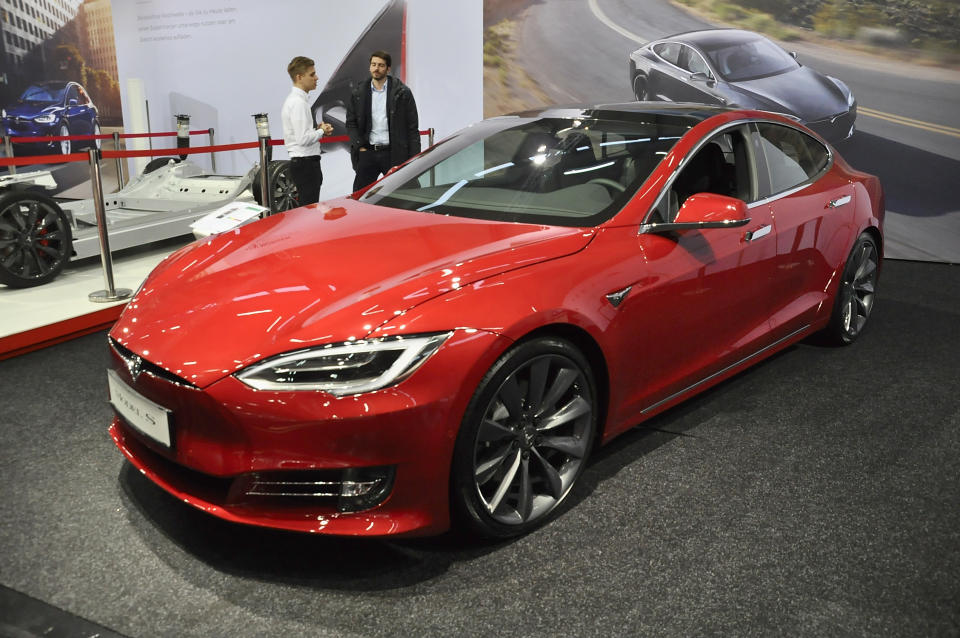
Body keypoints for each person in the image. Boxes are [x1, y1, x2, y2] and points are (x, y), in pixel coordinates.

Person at [346, 50, 421, 191]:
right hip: (368, 153)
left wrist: (414, 159)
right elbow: (351, 123)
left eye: (381, 65)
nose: (376, 68)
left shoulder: (403, 92)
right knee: (360, 198)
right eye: (373, 64)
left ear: (388, 69)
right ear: (369, 67)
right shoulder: (358, 93)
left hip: (394, 153)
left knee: (402, 195)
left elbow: (412, 128)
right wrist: (360, 146)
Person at [281, 56, 334, 206]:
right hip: (306, 164)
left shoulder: (296, 101)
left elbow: (302, 135)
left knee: (307, 209)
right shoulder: (298, 103)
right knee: (308, 210)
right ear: (299, 77)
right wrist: (321, 131)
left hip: (304, 163)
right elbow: (303, 139)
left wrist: (318, 131)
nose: (316, 78)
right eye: (312, 74)